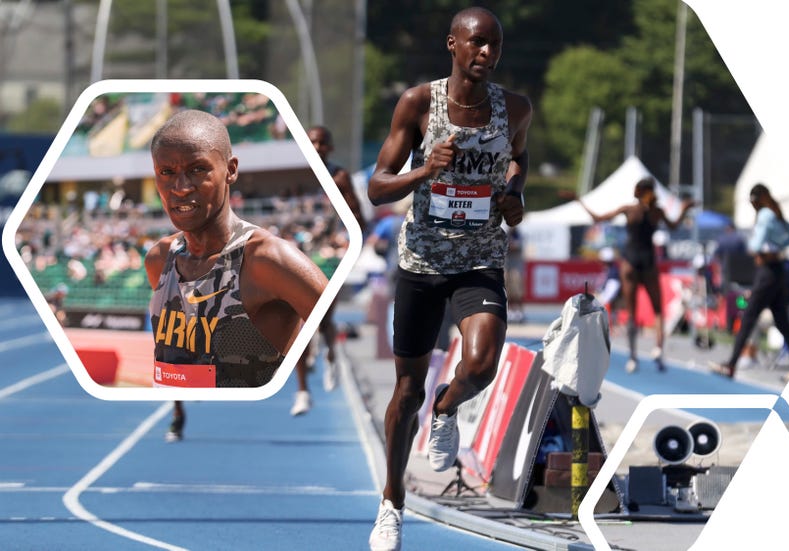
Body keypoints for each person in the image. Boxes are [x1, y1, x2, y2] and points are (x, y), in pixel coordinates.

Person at [364, 7, 532, 550]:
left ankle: (447, 407)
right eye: (477, 43)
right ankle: (391, 504)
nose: (486, 53)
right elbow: (378, 187)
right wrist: (424, 170)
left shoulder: (515, 108)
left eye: (495, 46)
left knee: (481, 364)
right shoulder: (419, 102)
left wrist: (514, 198)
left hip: (479, 258)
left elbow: (518, 163)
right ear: (453, 45)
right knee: (406, 389)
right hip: (421, 262)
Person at [143, 109, 328, 441]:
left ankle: (302, 390)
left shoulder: (268, 259)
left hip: (253, 443)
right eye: (166, 172)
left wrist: (308, 353)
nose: (180, 187)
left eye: (197, 169)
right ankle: (177, 414)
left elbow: (328, 317)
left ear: (230, 170)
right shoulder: (159, 259)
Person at [573, 178, 695, 373]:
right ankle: (658, 349)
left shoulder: (629, 210)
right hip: (648, 261)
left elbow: (598, 218)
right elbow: (674, 226)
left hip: (629, 261)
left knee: (632, 313)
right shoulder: (657, 211)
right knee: (658, 310)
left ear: (637, 192)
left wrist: (579, 200)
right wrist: (684, 208)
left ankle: (633, 357)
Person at [291, 125, 367, 416]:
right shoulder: (300, 179)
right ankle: (302, 392)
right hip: (302, 255)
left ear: (330, 147)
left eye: (323, 142)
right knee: (299, 320)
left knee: (323, 320)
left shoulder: (340, 177)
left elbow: (358, 218)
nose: (318, 147)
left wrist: (345, 240)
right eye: (312, 142)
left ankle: (331, 353)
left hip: (331, 259)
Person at [710, 183, 789, 379]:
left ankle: (731, 365)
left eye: (753, 201)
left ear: (759, 199)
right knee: (783, 323)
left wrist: (758, 249)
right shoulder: (775, 213)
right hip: (777, 271)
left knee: (748, 317)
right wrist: (778, 246)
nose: (752, 205)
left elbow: (756, 244)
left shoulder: (765, 214)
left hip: (767, 272)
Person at [505, 225, 525, 323]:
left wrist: (508, 245)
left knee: (517, 290)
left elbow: (515, 247)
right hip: (507, 266)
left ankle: (519, 311)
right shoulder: (505, 233)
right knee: (507, 290)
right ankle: (510, 311)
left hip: (516, 267)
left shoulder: (519, 234)